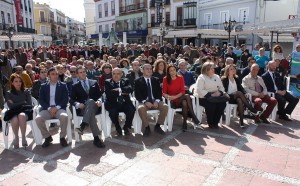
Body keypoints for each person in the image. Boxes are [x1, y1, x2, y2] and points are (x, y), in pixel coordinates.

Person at [71, 65, 105, 148]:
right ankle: (96, 139)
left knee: (90, 101)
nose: (82, 74)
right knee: (91, 115)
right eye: (80, 72)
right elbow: (71, 100)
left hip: (95, 106)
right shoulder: (75, 85)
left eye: (83, 72)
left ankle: (83, 125)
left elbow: (100, 95)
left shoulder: (93, 82)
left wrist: (99, 101)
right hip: (83, 109)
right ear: (78, 74)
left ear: (86, 72)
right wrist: (78, 104)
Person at [35, 68, 69, 148]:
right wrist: (49, 108)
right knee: (38, 119)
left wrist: (56, 108)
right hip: (47, 109)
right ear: (49, 76)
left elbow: (65, 99)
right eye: (53, 74)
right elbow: (41, 100)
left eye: (56, 74)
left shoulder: (63, 85)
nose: (55, 76)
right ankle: (47, 137)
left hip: (59, 108)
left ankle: (62, 137)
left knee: (64, 116)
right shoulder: (43, 86)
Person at [163, 65, 200, 131]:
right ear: (168, 72)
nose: (173, 72)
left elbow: (183, 91)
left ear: (176, 70)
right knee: (186, 97)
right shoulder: (165, 79)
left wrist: (175, 96)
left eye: (174, 70)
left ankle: (185, 122)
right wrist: (168, 97)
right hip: (172, 101)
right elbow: (163, 93)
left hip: (180, 97)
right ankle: (193, 116)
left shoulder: (180, 78)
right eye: (171, 70)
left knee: (185, 102)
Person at [135, 64, 168, 136]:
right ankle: (147, 127)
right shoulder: (138, 81)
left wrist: (157, 101)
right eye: (147, 69)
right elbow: (137, 95)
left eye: (150, 69)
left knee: (165, 106)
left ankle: (158, 125)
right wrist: (145, 102)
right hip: (145, 102)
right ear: (142, 70)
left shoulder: (155, 79)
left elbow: (159, 92)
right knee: (141, 108)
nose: (149, 70)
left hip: (155, 101)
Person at [194, 62, 227, 129]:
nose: (213, 70)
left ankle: (215, 122)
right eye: (211, 68)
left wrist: (220, 92)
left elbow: (221, 87)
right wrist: (211, 94)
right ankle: (211, 122)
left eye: (213, 68)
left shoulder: (216, 76)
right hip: (204, 97)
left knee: (222, 104)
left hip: (216, 96)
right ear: (206, 69)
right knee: (211, 104)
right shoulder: (201, 77)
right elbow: (200, 89)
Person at [104, 68, 136, 136]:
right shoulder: (107, 82)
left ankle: (126, 127)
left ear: (121, 74)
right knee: (112, 112)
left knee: (132, 110)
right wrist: (122, 92)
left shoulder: (126, 80)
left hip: (125, 103)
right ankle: (117, 127)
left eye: (118, 74)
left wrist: (118, 90)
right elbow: (108, 93)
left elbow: (130, 89)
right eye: (114, 74)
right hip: (113, 103)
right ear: (112, 74)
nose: (116, 76)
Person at [5, 74, 32, 148]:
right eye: (16, 81)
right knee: (14, 120)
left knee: (21, 115)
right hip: (13, 112)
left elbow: (29, 104)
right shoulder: (8, 93)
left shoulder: (26, 91)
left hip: (25, 111)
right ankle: (16, 137)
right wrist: (23, 102)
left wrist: (16, 103)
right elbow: (11, 106)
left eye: (20, 81)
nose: (18, 83)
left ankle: (23, 137)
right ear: (12, 83)